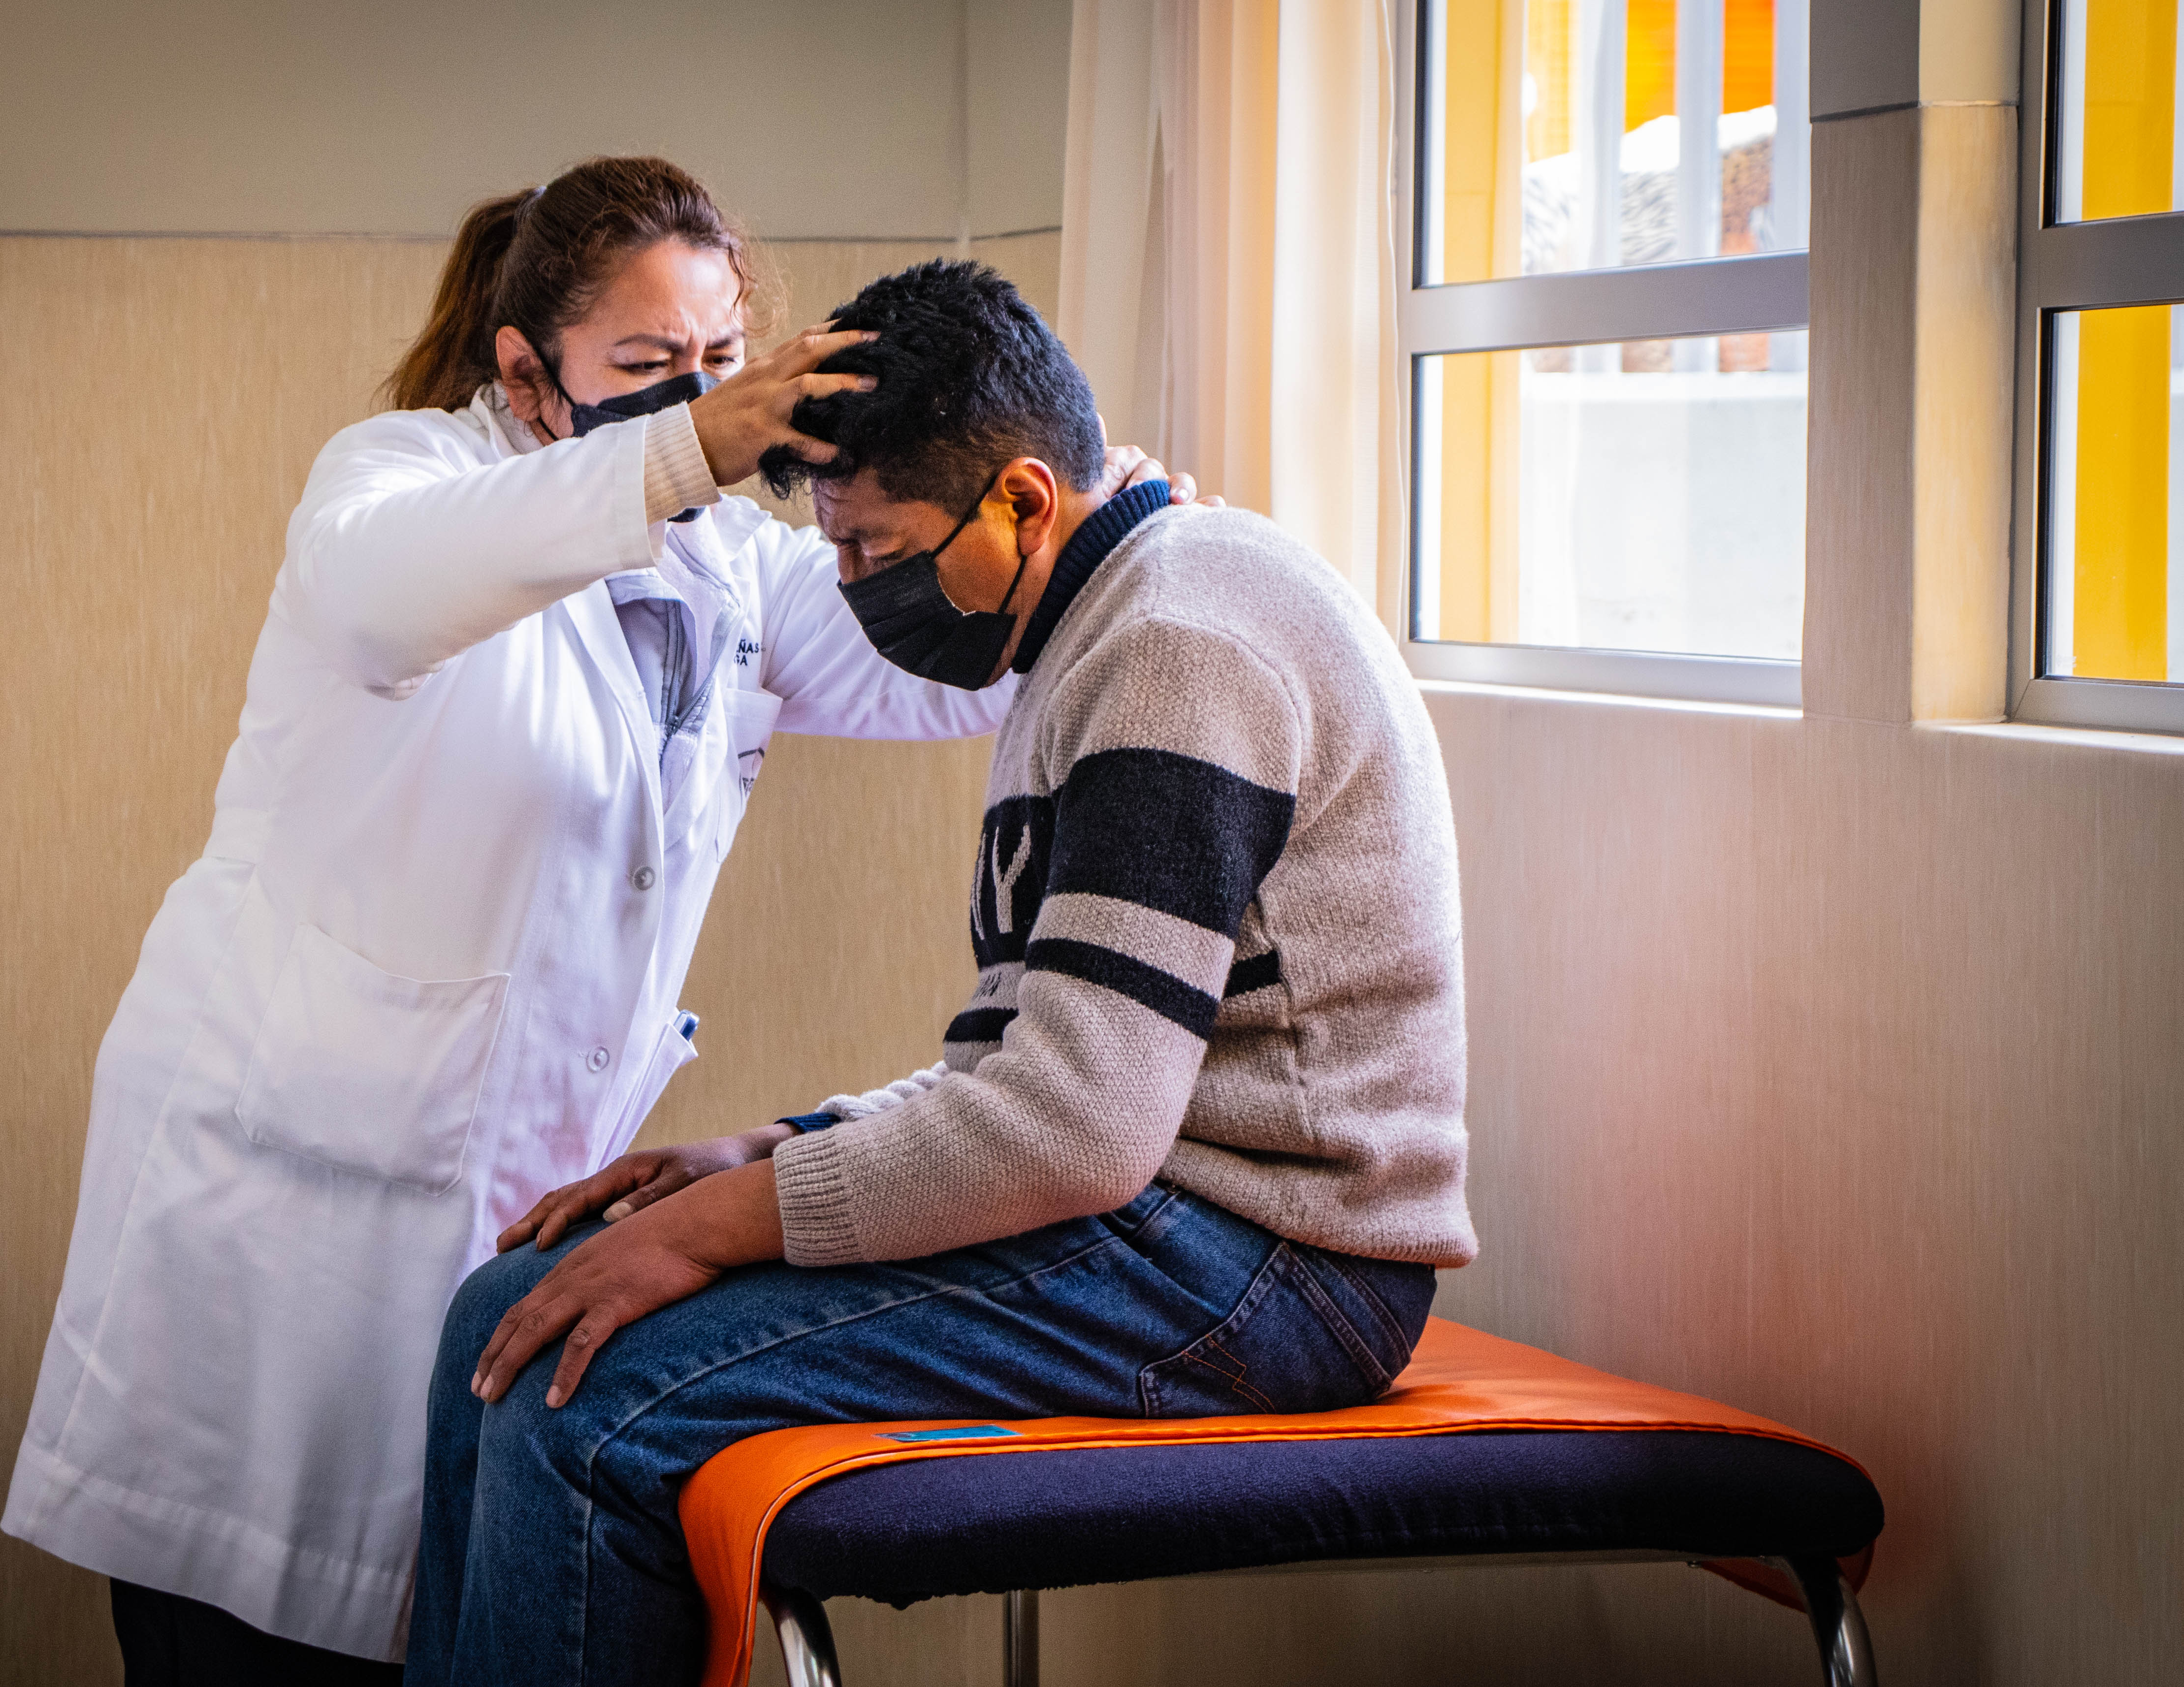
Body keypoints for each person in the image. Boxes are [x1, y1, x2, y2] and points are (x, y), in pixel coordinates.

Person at [1, 159, 1198, 1682]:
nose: (711, 408)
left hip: (498, 1222)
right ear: (526, 370)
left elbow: (950, 645)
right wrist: (695, 444)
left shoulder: (740, 573)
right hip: (279, 1241)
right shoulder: (393, 480)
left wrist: (1110, 538)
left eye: (722, 364)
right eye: (651, 373)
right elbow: (384, 593)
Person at [406, 258, 1478, 1687]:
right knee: (513, 1309)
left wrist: (724, 1222)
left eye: (878, 548)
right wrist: (776, 1146)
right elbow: (1033, 1072)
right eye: (839, 550)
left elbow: (1072, 1129)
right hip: (1175, 1211)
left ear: (1026, 500)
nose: (854, 588)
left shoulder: (1176, 640)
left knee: (580, 1396)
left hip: (1273, 1260)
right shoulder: (1097, 633)